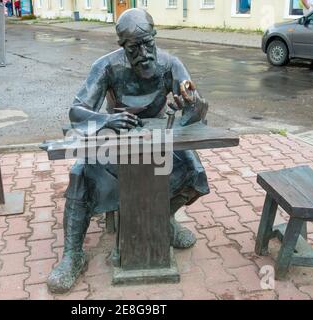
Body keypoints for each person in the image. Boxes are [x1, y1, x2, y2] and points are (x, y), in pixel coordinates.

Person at [46, 8, 210, 294]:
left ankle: (164, 219)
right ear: (122, 46)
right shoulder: (107, 66)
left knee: (194, 171)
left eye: (149, 43)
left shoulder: (170, 64)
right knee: (80, 173)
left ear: (155, 37)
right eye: (135, 47)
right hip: (116, 138)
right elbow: (76, 111)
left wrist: (194, 107)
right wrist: (106, 120)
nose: (144, 53)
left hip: (157, 138)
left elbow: (192, 101)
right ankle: (73, 255)